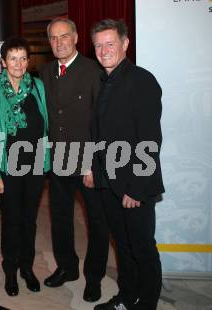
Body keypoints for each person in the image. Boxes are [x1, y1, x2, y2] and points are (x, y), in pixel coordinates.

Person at [85, 19, 164, 310]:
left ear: (125, 44)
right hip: (108, 183)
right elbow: (100, 134)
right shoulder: (104, 81)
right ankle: (127, 298)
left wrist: (137, 189)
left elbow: (150, 141)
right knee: (123, 246)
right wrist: (94, 168)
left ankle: (147, 304)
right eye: (98, 45)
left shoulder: (141, 80)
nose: (104, 50)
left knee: (142, 248)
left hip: (133, 186)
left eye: (110, 43)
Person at [39, 17, 109, 302]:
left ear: (77, 37)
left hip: (87, 161)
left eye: (64, 36)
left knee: (97, 221)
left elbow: (102, 120)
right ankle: (67, 268)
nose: (59, 43)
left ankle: (94, 278)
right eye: (53, 38)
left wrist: (94, 163)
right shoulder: (44, 72)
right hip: (57, 161)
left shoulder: (94, 71)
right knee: (60, 218)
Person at [0, 36, 50, 297]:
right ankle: (10, 270)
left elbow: (44, 125)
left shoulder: (38, 87)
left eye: (23, 58)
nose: (19, 63)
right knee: (11, 221)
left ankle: (27, 267)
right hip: (8, 168)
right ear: (3, 62)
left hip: (34, 166)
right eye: (13, 58)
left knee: (29, 221)